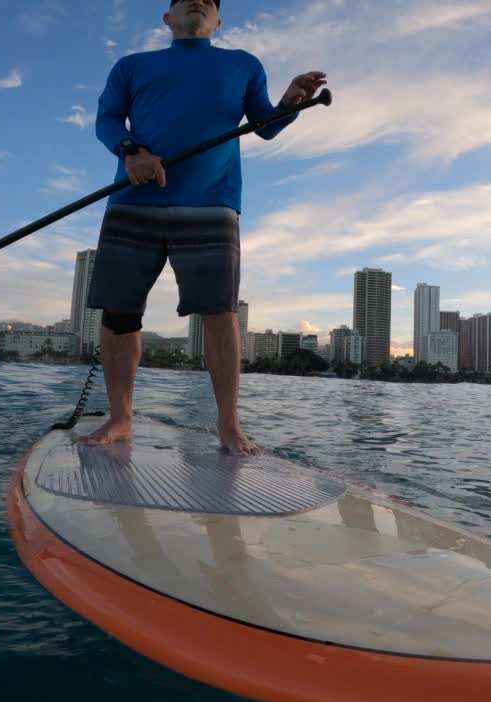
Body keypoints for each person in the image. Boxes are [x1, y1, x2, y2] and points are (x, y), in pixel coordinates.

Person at [81, 0, 326, 455]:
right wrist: (131, 150)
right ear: (166, 19)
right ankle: (120, 419)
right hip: (135, 201)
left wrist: (291, 103)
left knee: (219, 313)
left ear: (217, 21)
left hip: (212, 202)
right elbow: (107, 119)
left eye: (210, 1)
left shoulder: (242, 64)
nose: (198, 1)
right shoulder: (132, 65)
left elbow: (264, 127)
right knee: (119, 314)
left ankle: (229, 426)